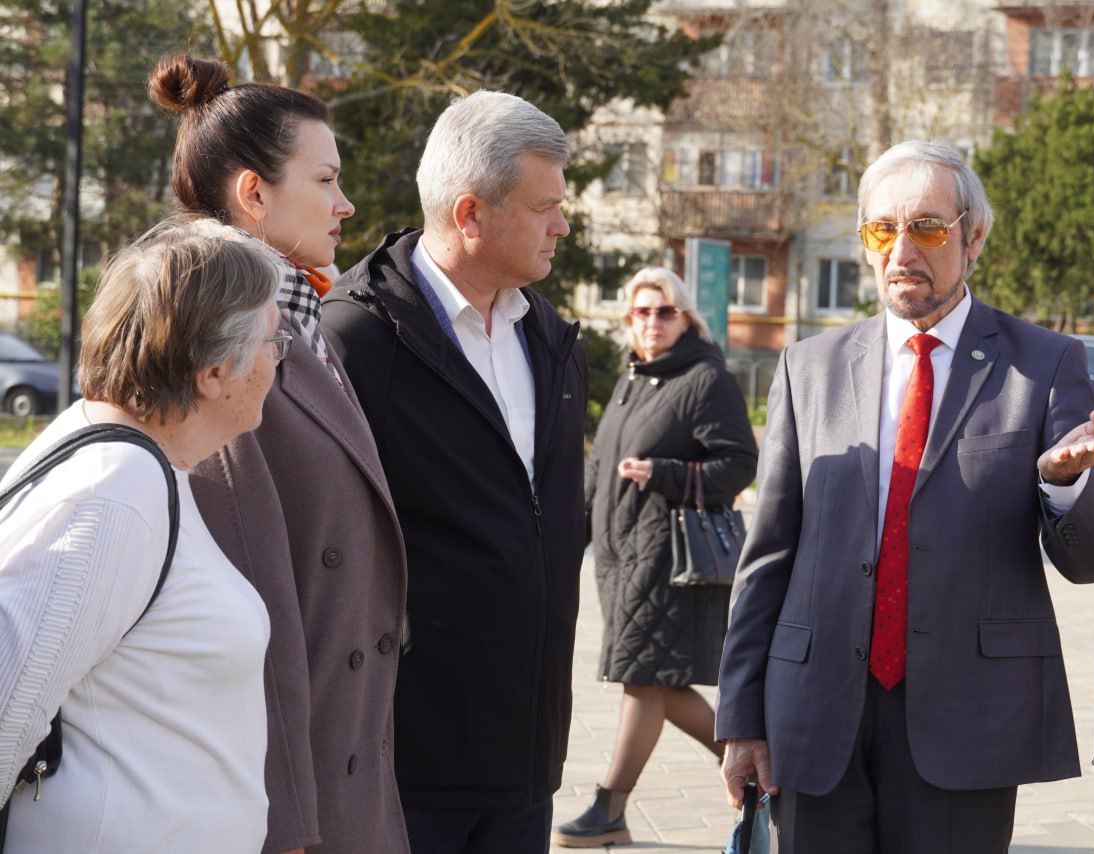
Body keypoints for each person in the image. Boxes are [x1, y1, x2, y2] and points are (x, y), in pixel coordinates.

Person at [714, 140, 1094, 853]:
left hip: (965, 716)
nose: (902, 248)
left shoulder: (1043, 363)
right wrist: (740, 716)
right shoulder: (808, 367)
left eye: (928, 227)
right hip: (815, 715)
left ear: (974, 238)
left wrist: (1061, 488)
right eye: (883, 229)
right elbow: (769, 555)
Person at [148, 54, 410, 854]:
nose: (347, 203)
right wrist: (288, 821)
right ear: (254, 194)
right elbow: (249, 601)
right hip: (297, 801)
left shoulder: (295, 319)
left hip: (349, 760)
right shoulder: (223, 342)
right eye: (325, 180)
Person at [320, 90, 587, 854]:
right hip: (403, 764)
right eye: (545, 207)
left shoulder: (553, 341)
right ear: (470, 215)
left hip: (526, 760)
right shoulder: (357, 342)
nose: (562, 225)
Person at [0, 219, 279, 851]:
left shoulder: (137, 462)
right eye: (271, 338)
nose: (278, 356)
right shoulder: (116, 488)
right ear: (214, 371)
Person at [553, 268, 758, 847]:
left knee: (642, 679)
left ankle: (609, 807)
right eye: (640, 313)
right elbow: (599, 468)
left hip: (667, 559)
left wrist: (665, 473)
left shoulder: (703, 379)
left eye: (664, 312)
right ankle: (763, 768)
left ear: (687, 318)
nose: (651, 322)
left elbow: (740, 463)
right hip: (619, 558)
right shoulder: (632, 379)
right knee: (656, 683)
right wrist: (570, 537)